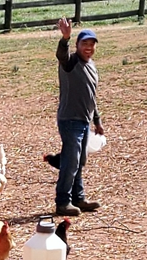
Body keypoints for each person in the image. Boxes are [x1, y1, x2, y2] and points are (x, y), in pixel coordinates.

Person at [54, 18, 104, 216]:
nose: (89, 47)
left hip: (84, 120)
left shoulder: (91, 65)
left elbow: (91, 96)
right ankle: (63, 202)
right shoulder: (71, 62)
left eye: (91, 44)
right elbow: (61, 55)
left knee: (80, 159)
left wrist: (97, 121)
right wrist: (65, 38)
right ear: (77, 45)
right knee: (71, 160)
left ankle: (79, 198)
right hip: (70, 120)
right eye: (85, 43)